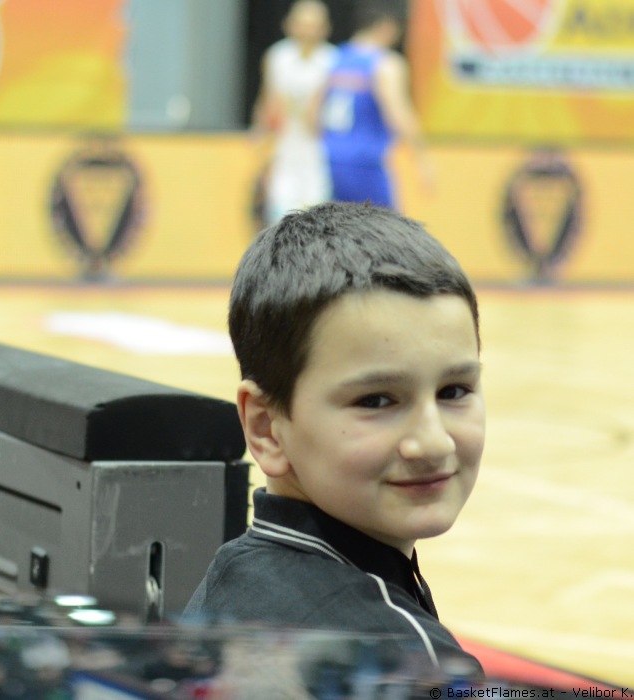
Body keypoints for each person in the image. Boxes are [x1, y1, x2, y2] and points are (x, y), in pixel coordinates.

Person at [183, 201, 486, 680]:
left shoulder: (233, 576)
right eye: (376, 400)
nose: (433, 444)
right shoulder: (404, 663)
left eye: (453, 391)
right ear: (265, 428)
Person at [321, 1, 433, 209]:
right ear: (387, 26)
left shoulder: (332, 58)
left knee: (338, 225)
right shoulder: (385, 64)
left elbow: (312, 113)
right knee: (386, 227)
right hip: (366, 163)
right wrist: (421, 159)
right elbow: (398, 114)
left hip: (329, 160)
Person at [251, 0, 337, 226]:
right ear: (289, 25)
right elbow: (267, 98)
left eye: (313, 25)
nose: (307, 31)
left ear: (325, 28)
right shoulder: (277, 56)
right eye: (302, 24)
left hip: (320, 146)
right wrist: (259, 132)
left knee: (317, 210)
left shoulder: (333, 60)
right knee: (280, 207)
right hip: (286, 145)